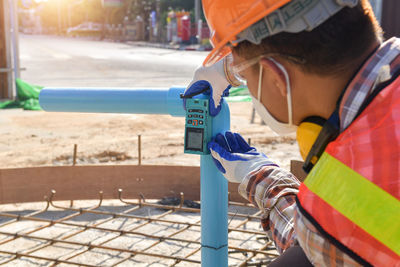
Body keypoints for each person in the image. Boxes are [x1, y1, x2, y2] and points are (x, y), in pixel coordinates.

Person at [183, 0, 400, 266]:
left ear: (277, 78)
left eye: (246, 77)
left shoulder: (338, 214)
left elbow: (313, 246)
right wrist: (231, 68)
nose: (247, 85)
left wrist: (259, 176)